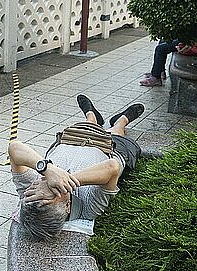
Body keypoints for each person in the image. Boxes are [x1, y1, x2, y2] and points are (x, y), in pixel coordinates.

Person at [8, 94, 149, 241]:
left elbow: (14, 148)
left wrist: (48, 169)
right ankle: (121, 121)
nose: (40, 184)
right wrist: (66, 180)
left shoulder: (32, 195)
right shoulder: (88, 208)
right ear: (67, 206)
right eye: (52, 190)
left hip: (72, 137)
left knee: (88, 124)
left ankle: (92, 117)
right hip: (108, 146)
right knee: (115, 132)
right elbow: (112, 167)